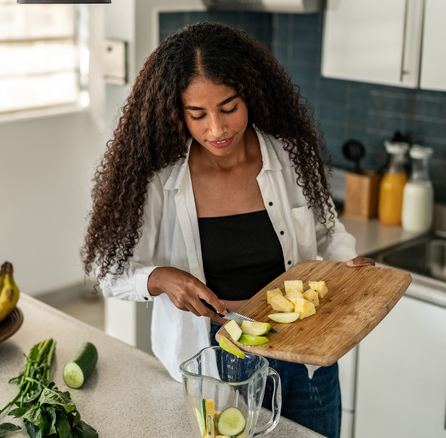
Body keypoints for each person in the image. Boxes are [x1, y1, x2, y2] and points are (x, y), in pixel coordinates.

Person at [81, 21, 373, 437]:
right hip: (217, 360)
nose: (217, 130)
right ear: (175, 111)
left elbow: (329, 231)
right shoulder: (157, 180)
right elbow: (109, 271)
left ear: (250, 95)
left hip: (305, 355)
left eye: (229, 107)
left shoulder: (292, 154)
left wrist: (347, 264)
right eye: (197, 114)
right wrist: (161, 279)